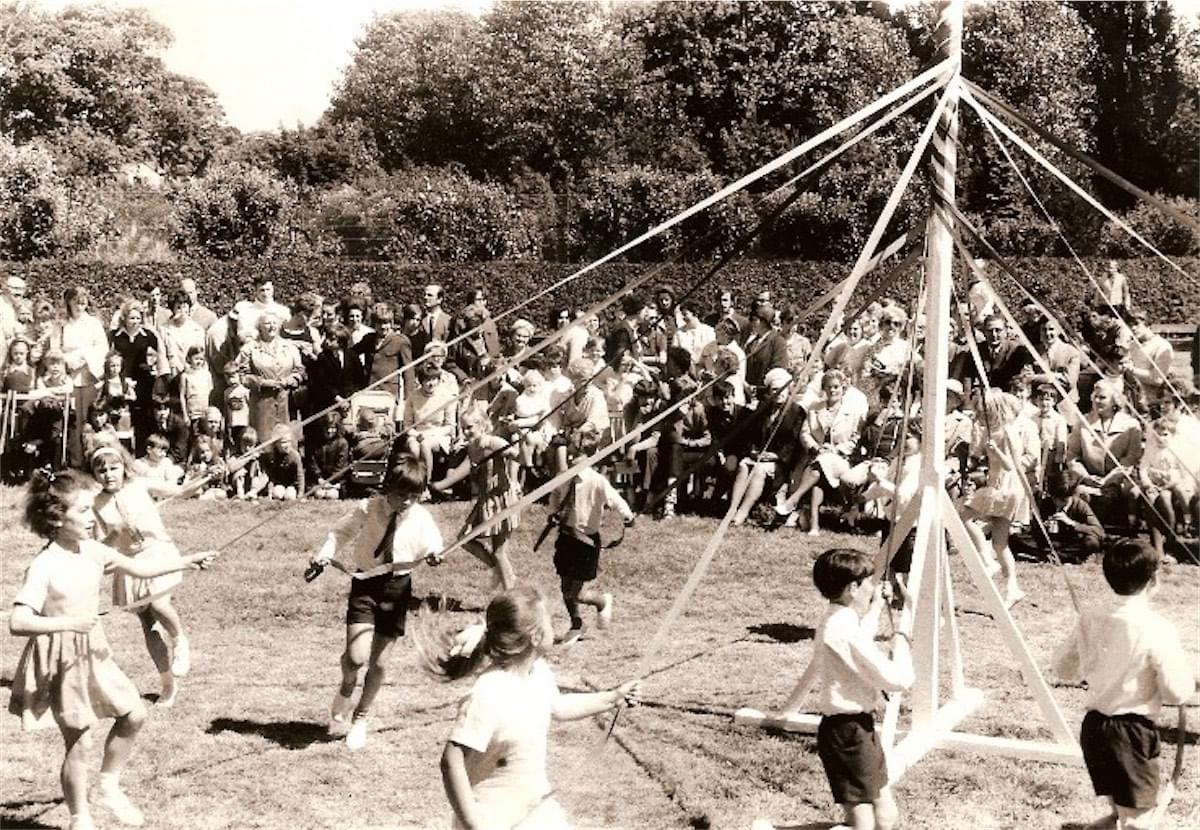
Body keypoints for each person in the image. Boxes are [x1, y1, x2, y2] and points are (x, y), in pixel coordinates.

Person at [8, 469, 215, 830]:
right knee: (79, 740)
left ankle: (107, 784)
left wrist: (186, 560)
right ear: (57, 518)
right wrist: (67, 623)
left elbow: (139, 567)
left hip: (94, 650)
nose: (93, 517)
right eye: (84, 511)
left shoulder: (92, 550)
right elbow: (18, 622)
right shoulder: (44, 565)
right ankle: (80, 818)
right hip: (61, 657)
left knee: (134, 714)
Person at [430, 586, 640, 830]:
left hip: (535, 808)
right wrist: (472, 822)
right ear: (536, 637)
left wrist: (613, 697)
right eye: (549, 621)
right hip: (493, 816)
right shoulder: (489, 692)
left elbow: (559, 706)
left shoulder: (538, 672)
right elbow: (451, 760)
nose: (554, 626)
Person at [1052, 538, 1195, 830]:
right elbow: (1176, 691)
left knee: (1121, 813)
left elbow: (1062, 669)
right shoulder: (1157, 628)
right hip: (1131, 735)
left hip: (1094, 730)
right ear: (1154, 578)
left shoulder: (1091, 617)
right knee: (1137, 823)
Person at [310, 454, 444, 750]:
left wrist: (435, 553)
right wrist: (323, 554)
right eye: (400, 494)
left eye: (414, 494)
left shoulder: (421, 516)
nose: (407, 501)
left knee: (380, 663)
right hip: (365, 584)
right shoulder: (369, 508)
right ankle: (347, 686)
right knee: (356, 658)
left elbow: (434, 543)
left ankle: (361, 717)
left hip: (397, 589)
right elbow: (340, 532)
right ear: (387, 489)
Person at [773, 548, 913, 830]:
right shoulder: (841, 629)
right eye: (868, 583)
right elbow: (897, 680)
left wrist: (874, 608)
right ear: (853, 588)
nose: (872, 587)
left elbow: (859, 636)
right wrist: (903, 639)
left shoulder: (838, 617)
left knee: (886, 820)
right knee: (864, 824)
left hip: (857, 727)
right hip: (846, 731)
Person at [91, 443, 199, 706]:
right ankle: (167, 685)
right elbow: (98, 548)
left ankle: (180, 641)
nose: (108, 474)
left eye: (113, 468)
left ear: (123, 467)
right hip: (129, 563)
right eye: (101, 470)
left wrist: (207, 478)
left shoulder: (139, 485)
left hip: (157, 552)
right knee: (148, 624)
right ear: (94, 474)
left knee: (159, 603)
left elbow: (182, 491)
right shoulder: (96, 504)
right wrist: (115, 534)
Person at [548, 422, 635, 644]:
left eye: (575, 456)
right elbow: (556, 496)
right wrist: (553, 513)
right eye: (570, 456)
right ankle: (576, 624)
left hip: (586, 541)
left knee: (575, 592)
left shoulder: (597, 481)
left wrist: (627, 515)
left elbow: (615, 499)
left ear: (589, 456)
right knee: (564, 587)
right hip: (567, 536)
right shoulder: (566, 477)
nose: (570, 460)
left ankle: (602, 602)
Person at [960, 390, 1040, 608]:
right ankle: (1012, 587)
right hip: (1008, 487)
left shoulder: (1003, 433)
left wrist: (995, 451)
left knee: (963, 518)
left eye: (983, 411)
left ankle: (987, 560)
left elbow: (1010, 464)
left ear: (994, 411)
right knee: (1000, 543)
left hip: (1003, 486)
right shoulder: (1001, 431)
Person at [431, 409, 520, 591]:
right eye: (463, 428)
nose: (466, 432)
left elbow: (518, 456)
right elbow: (469, 469)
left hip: (502, 499)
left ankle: (510, 592)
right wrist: (440, 485)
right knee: (464, 539)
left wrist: (517, 437)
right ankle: (499, 571)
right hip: (486, 500)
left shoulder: (494, 442)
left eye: (470, 427)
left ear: (482, 425)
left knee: (499, 551)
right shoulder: (471, 447)